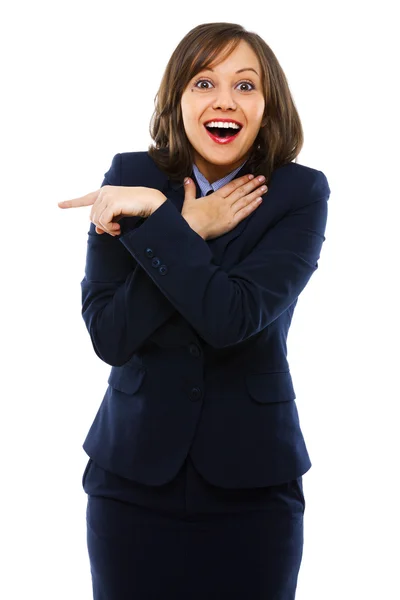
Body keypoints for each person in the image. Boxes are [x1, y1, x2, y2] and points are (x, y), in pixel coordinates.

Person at [59, 21, 331, 600]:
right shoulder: (131, 177)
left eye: (245, 85)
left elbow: (233, 317)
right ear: (177, 98)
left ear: (268, 104)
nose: (224, 100)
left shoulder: (298, 194)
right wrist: (184, 224)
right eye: (204, 83)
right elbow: (110, 335)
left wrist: (161, 227)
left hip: (253, 487)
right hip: (130, 481)